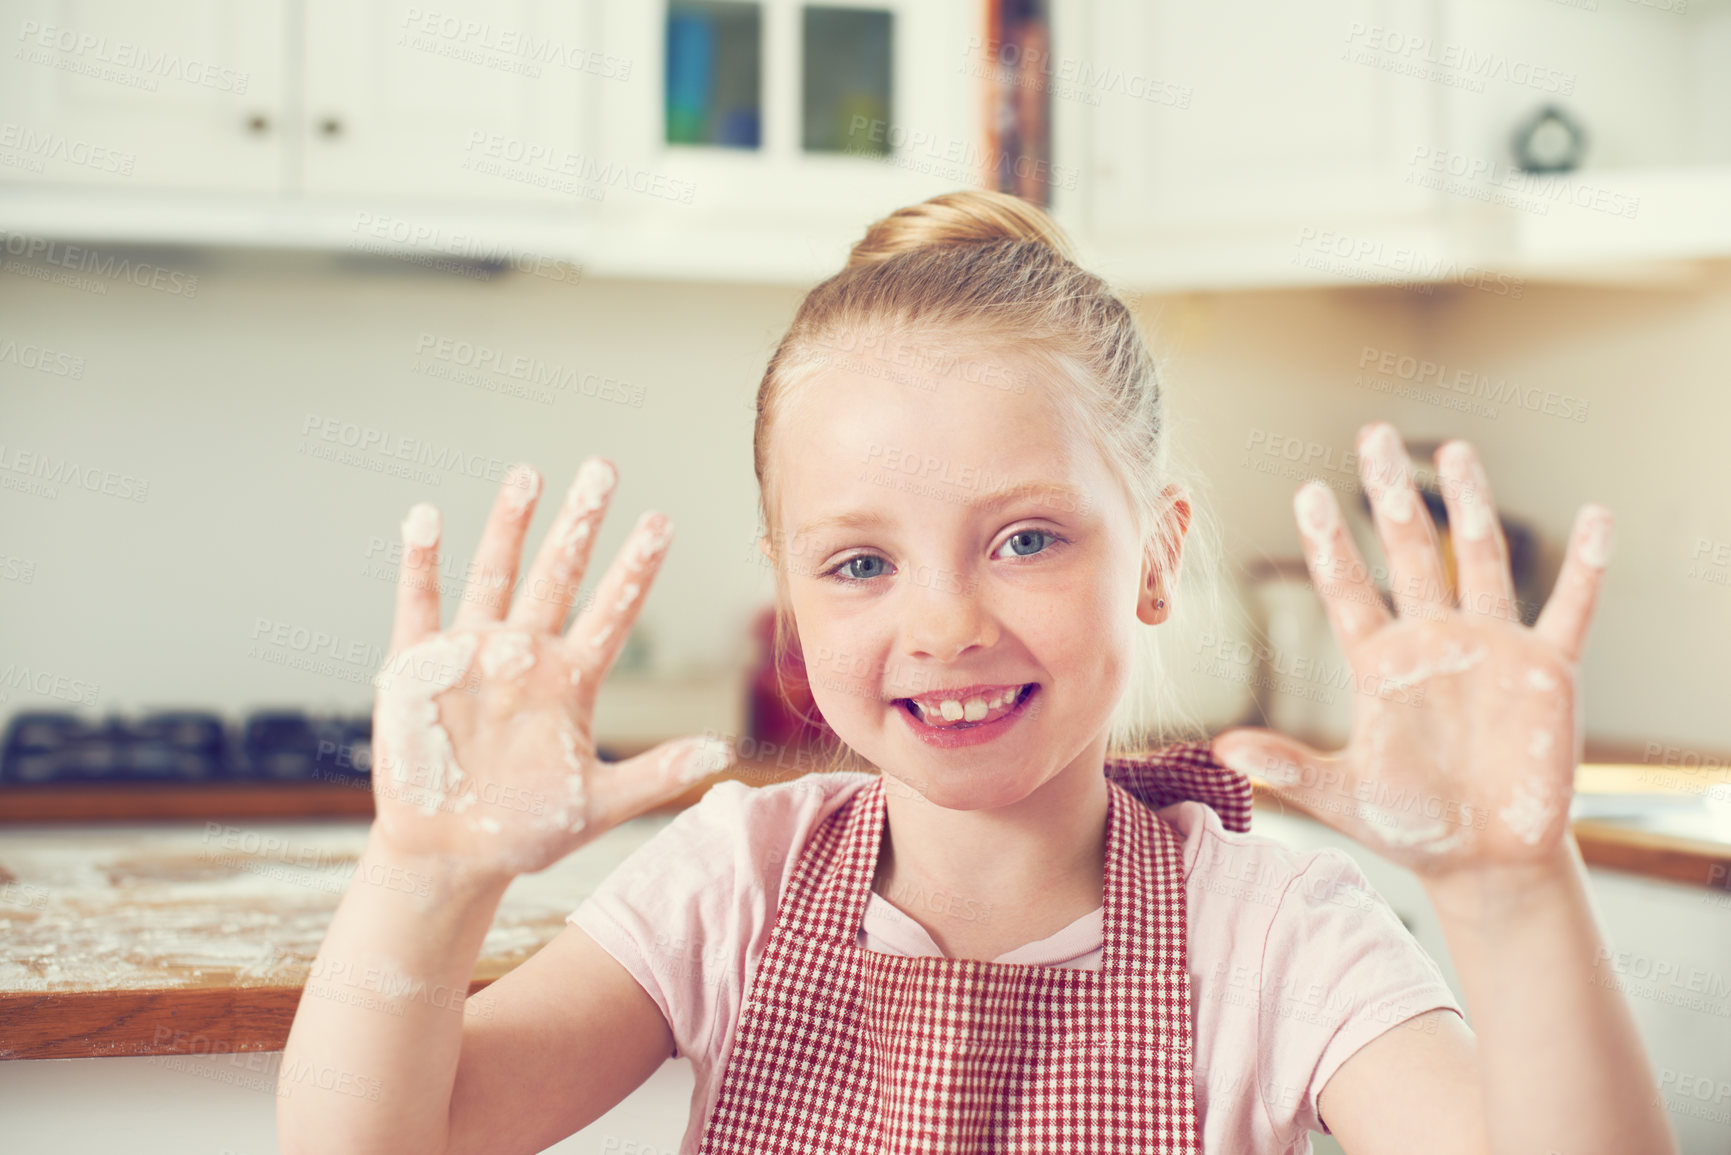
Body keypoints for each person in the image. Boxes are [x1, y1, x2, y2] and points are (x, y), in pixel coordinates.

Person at [277, 190, 1676, 1155]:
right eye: (861, 564)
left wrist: (1514, 897)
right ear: (787, 592)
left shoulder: (1276, 930)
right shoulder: (733, 884)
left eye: (1023, 538)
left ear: (1154, 553)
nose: (942, 624)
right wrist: (424, 876)